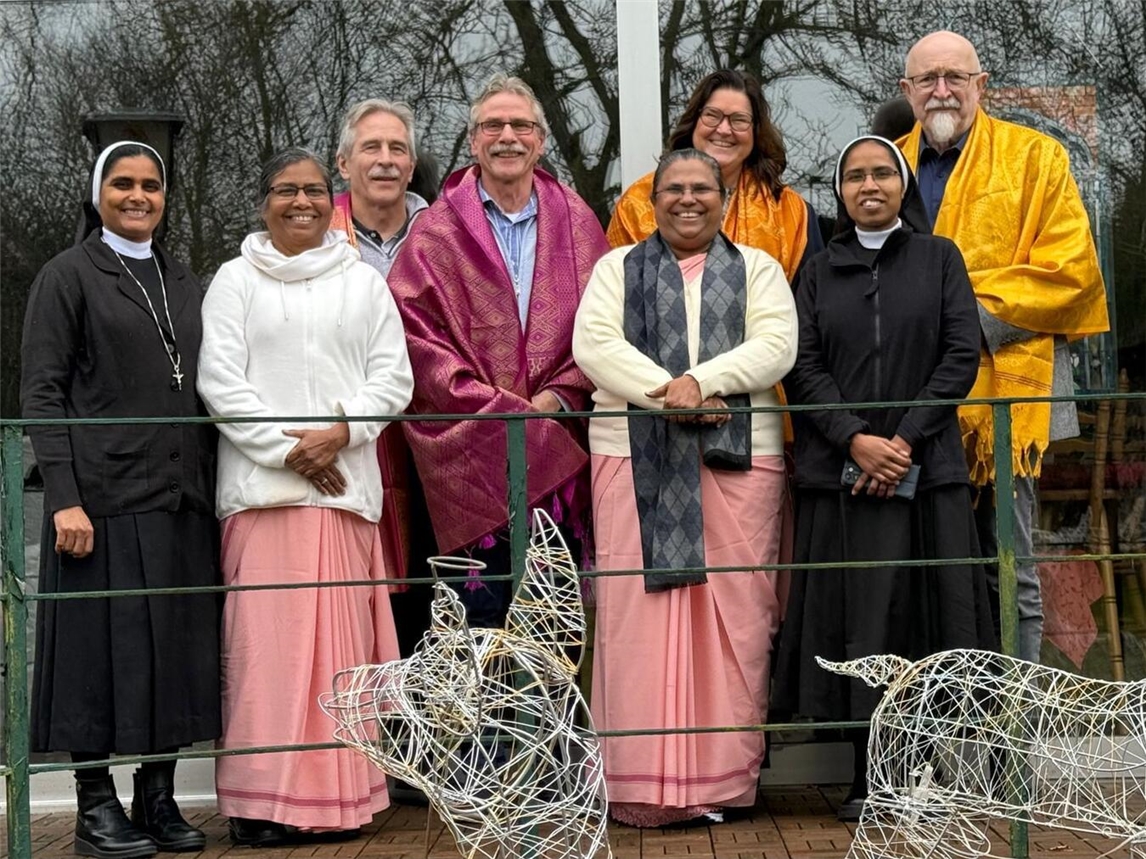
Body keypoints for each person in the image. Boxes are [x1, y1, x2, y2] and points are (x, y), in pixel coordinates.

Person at [771, 135, 997, 822]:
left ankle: (926, 772)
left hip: (928, 475)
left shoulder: (939, 259)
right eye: (853, 176)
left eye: (882, 174)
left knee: (929, 619)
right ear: (839, 192)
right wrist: (856, 441)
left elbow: (961, 355)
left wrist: (900, 440)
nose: (868, 185)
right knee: (858, 625)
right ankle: (869, 775)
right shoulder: (816, 269)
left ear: (903, 187)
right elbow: (801, 365)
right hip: (844, 480)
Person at [574, 148, 798, 828]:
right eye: (673, 188)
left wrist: (704, 381)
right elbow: (593, 346)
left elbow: (777, 345)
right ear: (653, 199)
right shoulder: (616, 269)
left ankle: (723, 782)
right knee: (634, 625)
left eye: (702, 188)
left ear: (723, 199)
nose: (688, 199)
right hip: (630, 457)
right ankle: (641, 784)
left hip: (738, 464)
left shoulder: (757, 269)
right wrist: (667, 393)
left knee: (736, 620)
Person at [197, 148, 414, 845]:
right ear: (264, 201)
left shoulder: (362, 284)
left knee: (340, 658)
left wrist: (342, 431)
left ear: (333, 199)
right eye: (286, 191)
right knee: (268, 657)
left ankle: (336, 802)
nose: (302, 202)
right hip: (263, 499)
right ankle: (262, 805)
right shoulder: (234, 281)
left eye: (315, 190)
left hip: (345, 495)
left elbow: (393, 378)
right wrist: (293, 452)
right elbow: (220, 383)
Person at [22, 141, 220, 859]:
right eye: (123, 184)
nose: (138, 196)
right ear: (98, 192)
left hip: (178, 498)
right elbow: (41, 391)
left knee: (169, 652)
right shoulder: (67, 275)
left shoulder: (182, 277)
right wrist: (64, 497)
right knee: (94, 659)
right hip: (98, 503)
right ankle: (94, 804)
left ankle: (157, 796)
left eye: (151, 185)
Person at [897, 31, 1109, 663]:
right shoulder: (883, 165)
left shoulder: (1035, 157)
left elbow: (1071, 275)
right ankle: (937, 744)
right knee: (919, 573)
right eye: (927, 79)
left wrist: (949, 309)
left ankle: (1011, 748)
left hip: (1007, 403)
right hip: (905, 401)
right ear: (906, 92)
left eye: (955, 77)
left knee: (1007, 569)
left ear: (981, 86)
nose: (942, 90)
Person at [386, 74, 610, 628]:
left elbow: (606, 326)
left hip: (558, 446)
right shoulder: (434, 232)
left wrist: (557, 398)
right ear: (473, 140)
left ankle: (551, 717)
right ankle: (483, 720)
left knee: (552, 630)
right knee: (477, 627)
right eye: (493, 125)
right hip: (470, 456)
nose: (507, 136)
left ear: (540, 140)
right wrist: (500, 411)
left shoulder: (579, 223)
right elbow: (414, 336)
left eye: (521, 126)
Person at [329, 98, 434, 657]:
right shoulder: (317, 231)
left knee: (434, 587)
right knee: (358, 595)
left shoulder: (445, 231)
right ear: (343, 163)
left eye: (398, 149)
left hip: (440, 430)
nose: (386, 160)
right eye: (371, 147)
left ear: (412, 166)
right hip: (349, 433)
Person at [607, 69, 820, 282]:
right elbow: (615, 295)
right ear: (694, 121)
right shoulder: (637, 204)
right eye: (712, 115)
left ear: (755, 131)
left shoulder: (789, 212)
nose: (724, 129)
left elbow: (808, 305)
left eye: (739, 120)